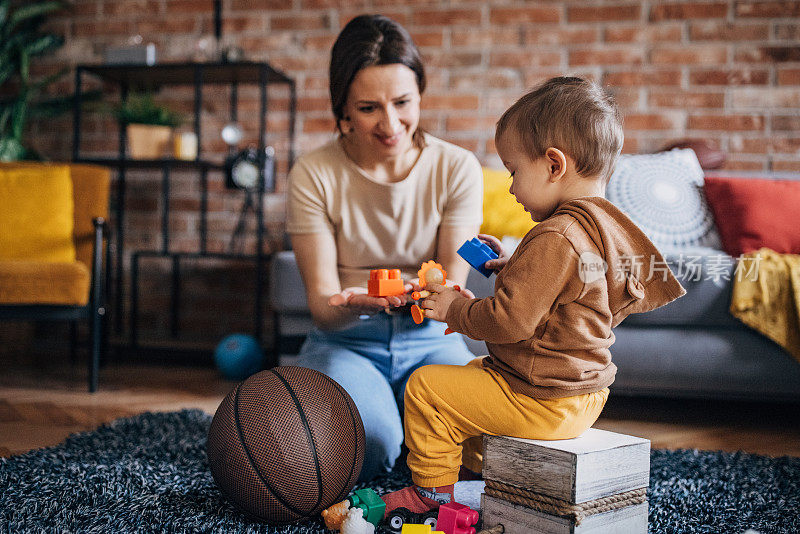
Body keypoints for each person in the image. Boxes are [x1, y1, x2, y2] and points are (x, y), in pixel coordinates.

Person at [380, 76, 686, 516]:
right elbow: (575, 294)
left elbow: (509, 322)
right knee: (470, 374)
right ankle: (473, 475)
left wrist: (454, 308)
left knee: (428, 387)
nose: (509, 187)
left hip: (543, 398)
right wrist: (514, 268)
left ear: (553, 165)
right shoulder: (599, 226)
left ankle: (430, 496)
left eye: (513, 171)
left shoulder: (557, 233)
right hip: (584, 394)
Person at [286, 14, 483, 482]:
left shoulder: (457, 168)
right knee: (370, 450)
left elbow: (451, 291)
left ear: (420, 96)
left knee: (483, 449)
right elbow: (323, 307)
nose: (391, 124)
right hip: (347, 339)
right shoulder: (313, 174)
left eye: (402, 102)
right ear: (344, 111)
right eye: (369, 107)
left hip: (432, 340)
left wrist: (427, 296)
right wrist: (361, 305)